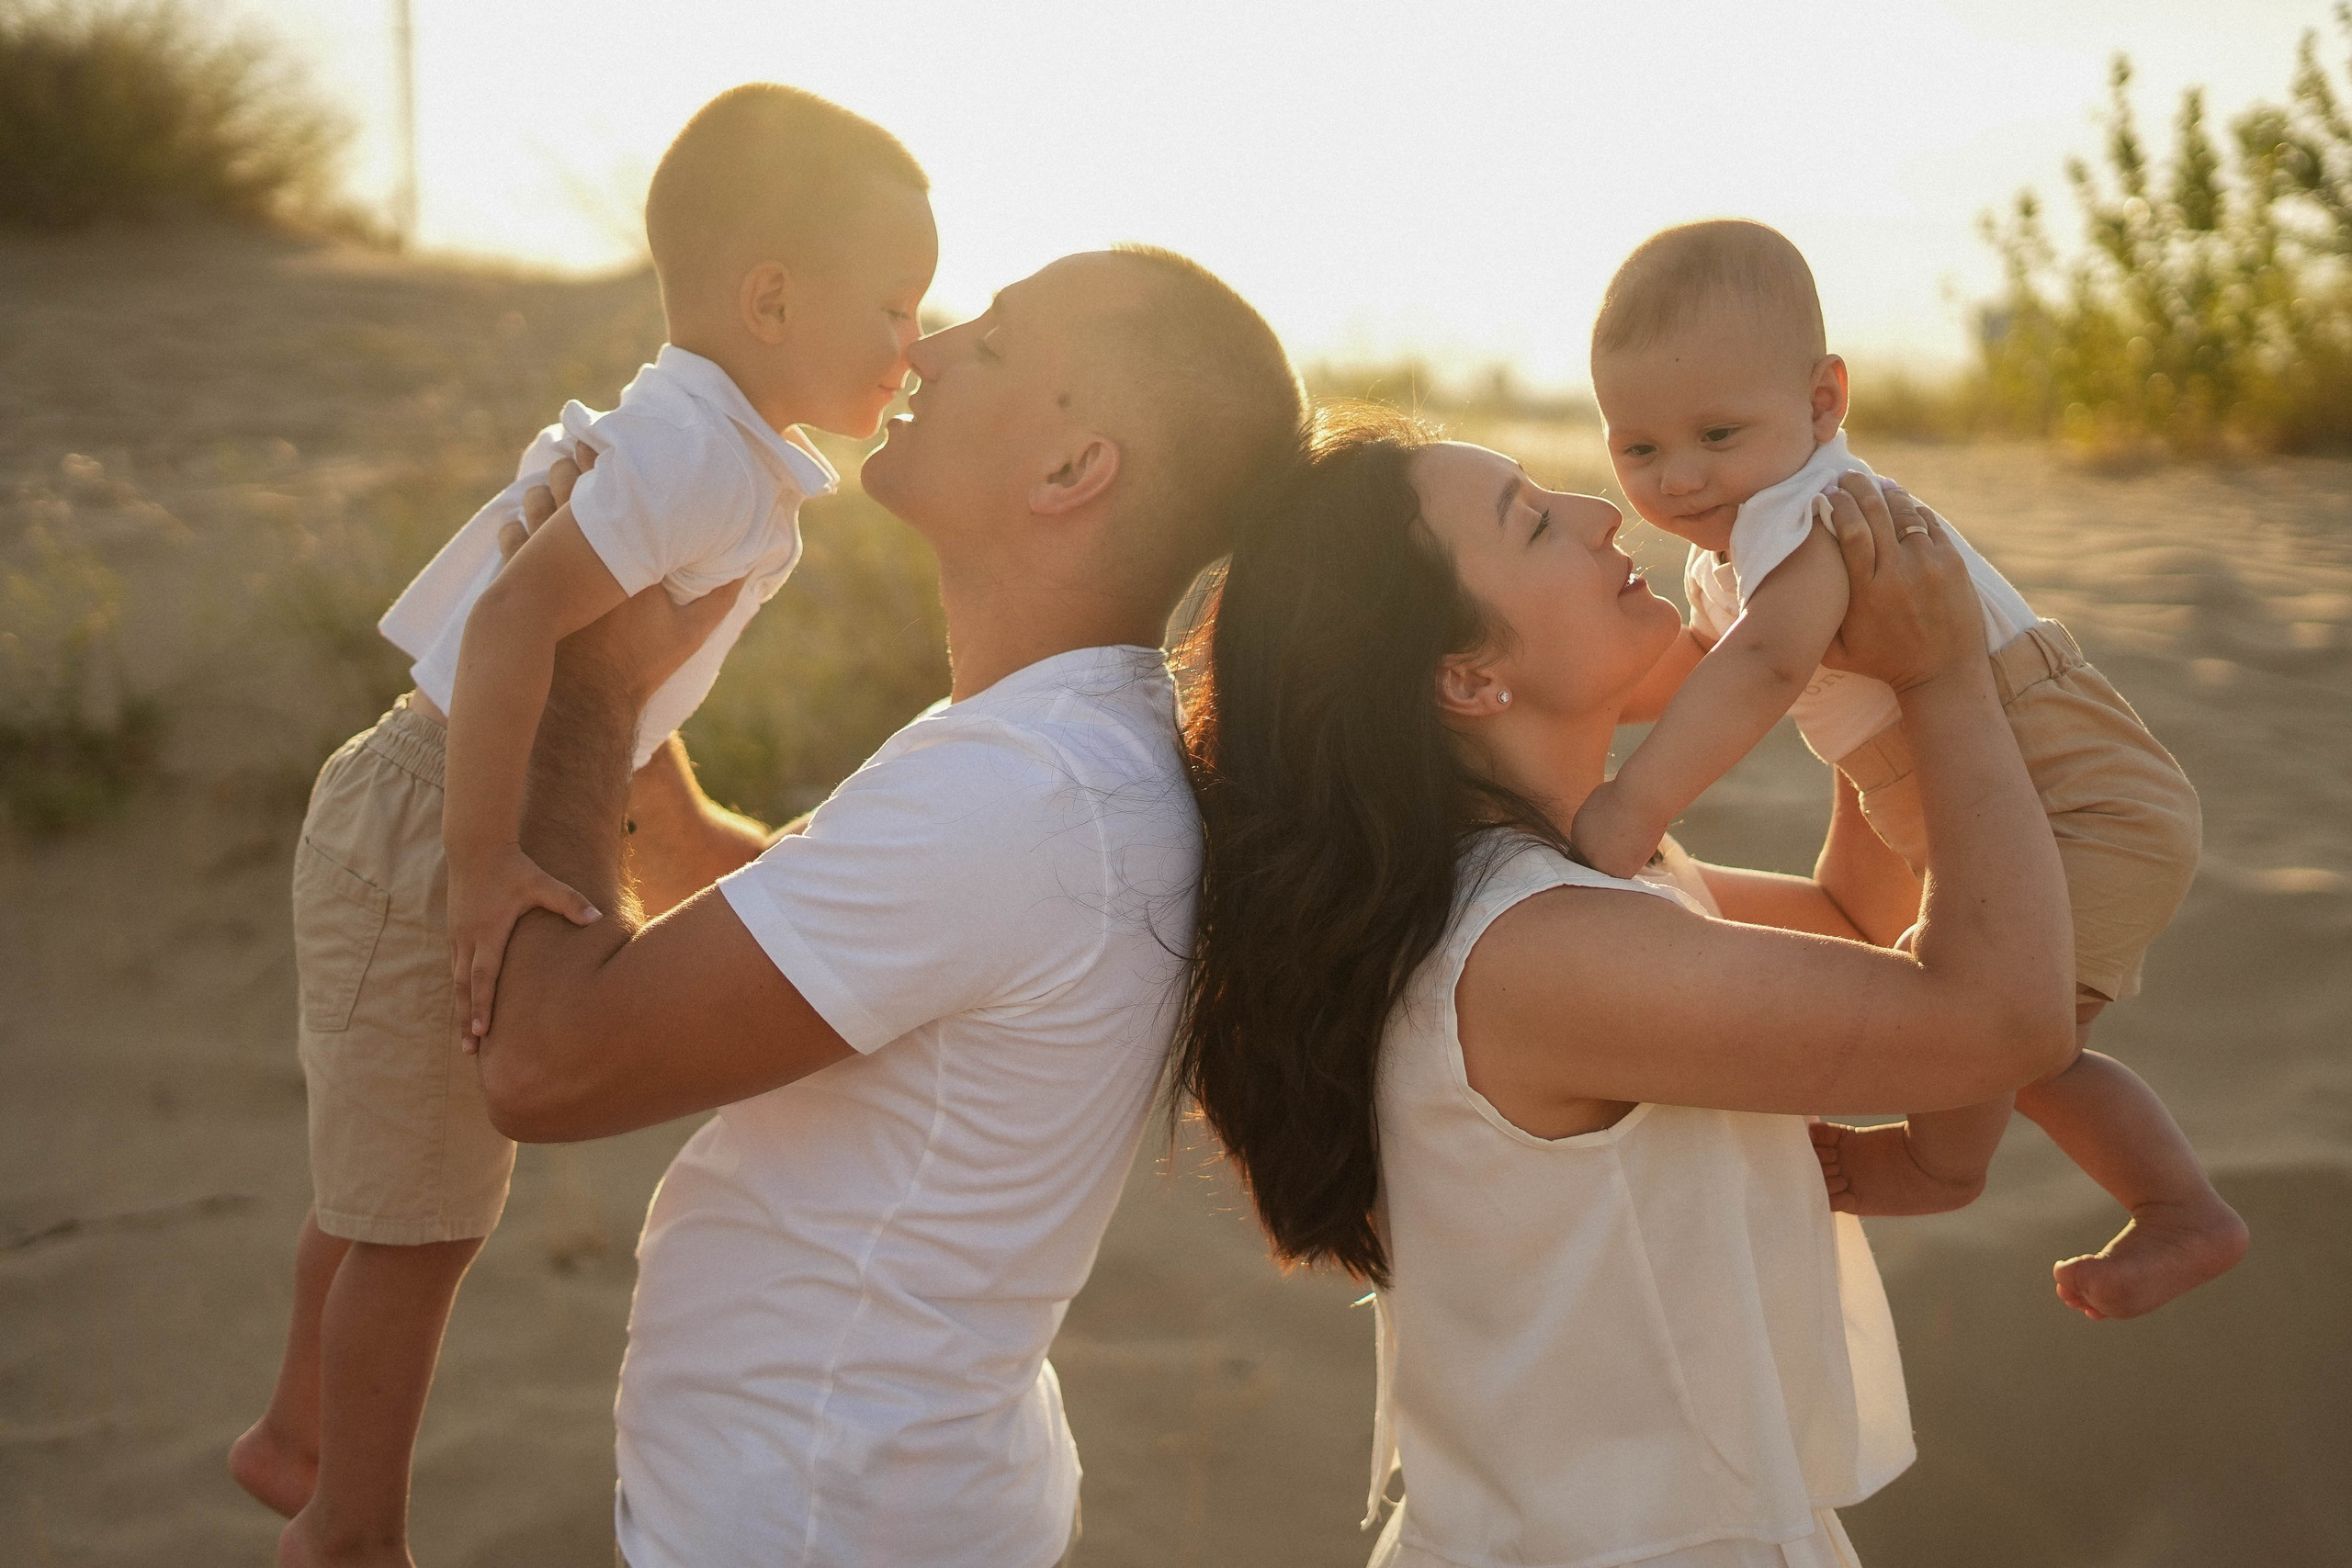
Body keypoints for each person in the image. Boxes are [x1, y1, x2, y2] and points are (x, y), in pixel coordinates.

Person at [474, 247, 1306, 1567]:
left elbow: (544, 1061)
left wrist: (576, 673)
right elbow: (765, 906)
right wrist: (614, 635)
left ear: (1071, 468)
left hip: (823, 1518)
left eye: (993, 340)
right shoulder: (1063, 745)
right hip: (868, 1491)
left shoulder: (1023, 796)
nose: (926, 346)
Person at [1176, 404, 2083, 1566]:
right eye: (1532, 523)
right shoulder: (1533, 949)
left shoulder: (1555, 884)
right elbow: (2002, 1022)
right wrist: (1943, 672)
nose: (1601, 513)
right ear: (1466, 674)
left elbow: (1858, 926)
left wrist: (1851, 681)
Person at [230, 84, 936, 1567]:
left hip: (444, 793)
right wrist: (482, 863)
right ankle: (346, 1526)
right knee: (423, 1217)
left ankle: (296, 1427)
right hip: (436, 808)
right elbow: (512, 628)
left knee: (387, 1170)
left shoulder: (720, 448)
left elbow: (620, 699)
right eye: (893, 305)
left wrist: (691, 842)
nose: (913, 343)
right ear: (769, 299)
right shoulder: (698, 455)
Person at [1568, 220, 2245, 1320]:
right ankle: (2168, 1206)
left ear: (1822, 403)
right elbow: (1702, 658)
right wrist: (1583, 695)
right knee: (2018, 1037)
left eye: (1716, 434)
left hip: (2077, 803)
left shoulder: (1811, 516)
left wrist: (1632, 802)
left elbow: (1765, 666)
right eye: (1637, 450)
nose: (1679, 477)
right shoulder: (1734, 540)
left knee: (1997, 1029)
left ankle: (1970, 1172)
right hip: (1995, 807)